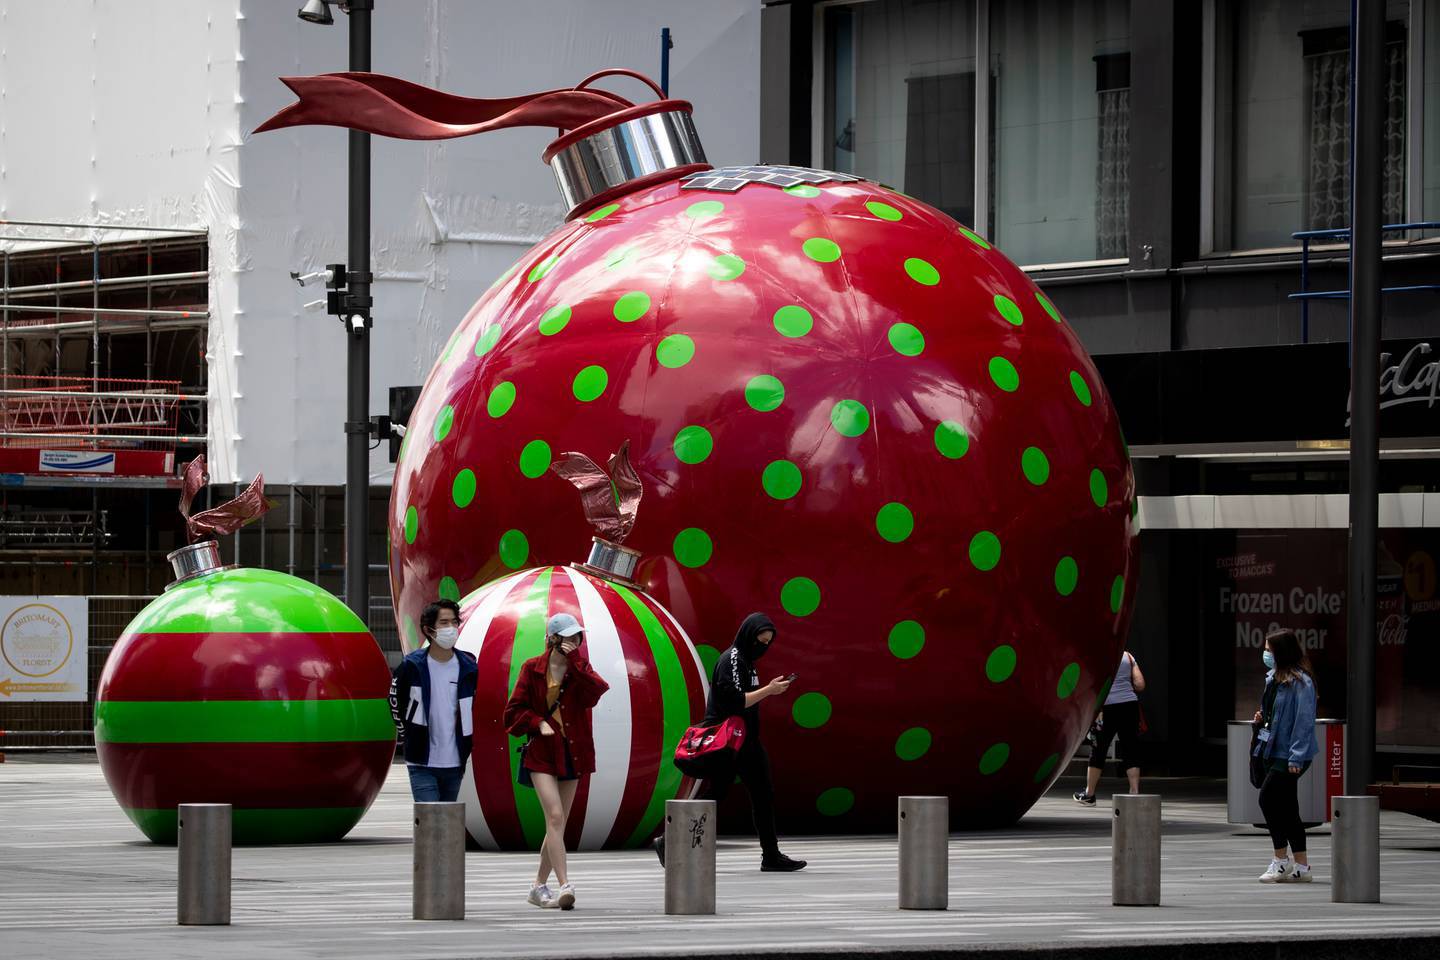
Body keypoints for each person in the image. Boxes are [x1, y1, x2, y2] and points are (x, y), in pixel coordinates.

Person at [655, 612, 807, 872]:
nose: (764, 646)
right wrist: (769, 690)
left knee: (762, 793)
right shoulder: (732, 660)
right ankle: (669, 840)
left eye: (768, 642)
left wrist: (768, 689)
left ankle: (771, 855)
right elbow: (736, 701)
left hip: (745, 741)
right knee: (719, 793)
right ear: (749, 635)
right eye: (760, 640)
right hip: (727, 742)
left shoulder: (747, 661)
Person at [504, 612, 610, 910]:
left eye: (577, 636)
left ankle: (537, 886)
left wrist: (576, 664)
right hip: (541, 752)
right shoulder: (532, 668)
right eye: (568, 636)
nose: (574, 641)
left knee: (558, 823)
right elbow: (512, 713)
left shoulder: (581, 668)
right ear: (553, 638)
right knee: (554, 817)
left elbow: (596, 692)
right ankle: (565, 884)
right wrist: (537, 722)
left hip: (573, 752)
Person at [390, 599, 479, 803]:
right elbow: (395, 701)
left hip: (455, 763)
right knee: (430, 824)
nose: (451, 628)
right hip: (421, 762)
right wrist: (407, 734)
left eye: (455, 622)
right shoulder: (412, 666)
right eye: (444, 623)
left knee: (447, 826)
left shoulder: (469, 667)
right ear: (428, 630)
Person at [1252, 627, 1319, 884]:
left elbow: (1304, 721)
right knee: (1289, 807)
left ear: (1281, 652)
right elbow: (1273, 713)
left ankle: (1280, 860)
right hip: (1272, 748)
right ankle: (1302, 866)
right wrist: (1262, 717)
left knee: (1267, 799)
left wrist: (1296, 757)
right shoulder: (1273, 678)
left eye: (1268, 650)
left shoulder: (1301, 682)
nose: (1265, 654)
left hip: (1289, 754)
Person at [1074, 649, 1146, 805]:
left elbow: (1091, 682)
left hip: (1106, 708)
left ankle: (1089, 794)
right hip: (1129, 706)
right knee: (1130, 747)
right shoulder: (1129, 656)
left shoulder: (1099, 655)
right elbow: (1140, 685)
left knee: (1098, 749)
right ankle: (1134, 791)